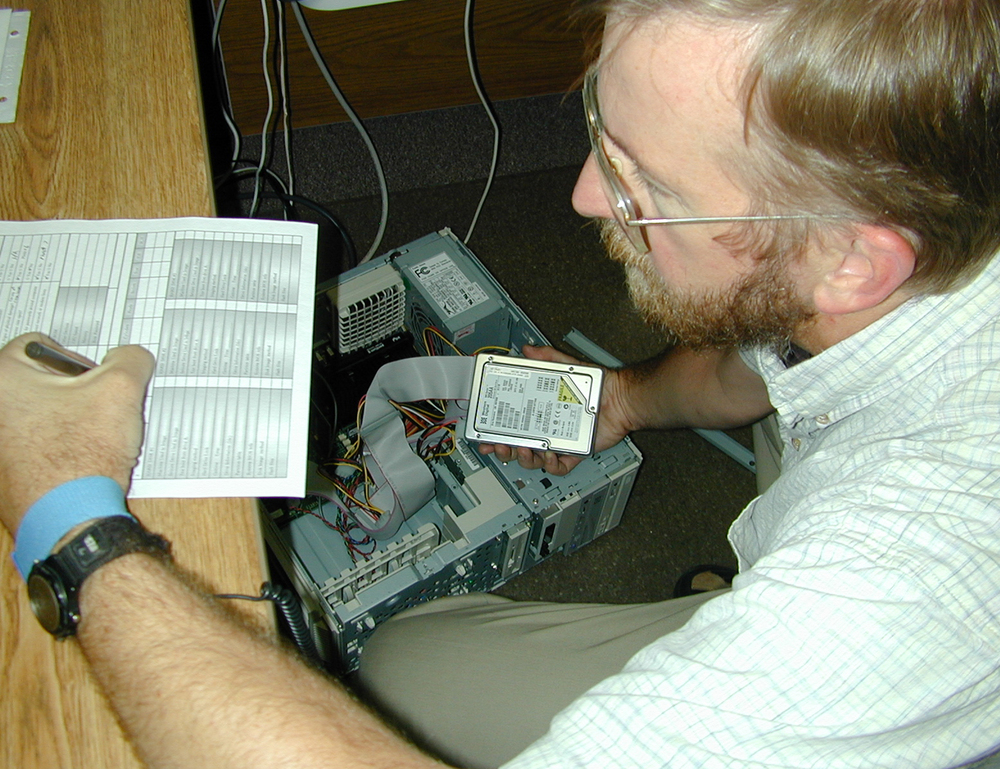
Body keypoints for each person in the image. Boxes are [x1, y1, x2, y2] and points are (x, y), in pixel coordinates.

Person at [2, 0, 1000, 767]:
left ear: (851, 262)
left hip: (861, 645)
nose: (576, 195)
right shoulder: (870, 240)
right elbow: (768, 333)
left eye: (645, 192)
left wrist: (73, 521)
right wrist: (625, 400)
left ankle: (724, 609)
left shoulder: (896, 578)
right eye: (602, 133)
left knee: (399, 679)